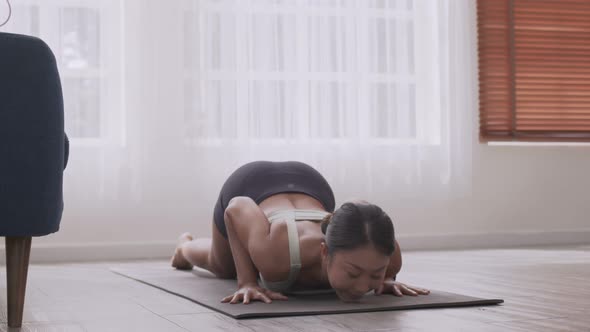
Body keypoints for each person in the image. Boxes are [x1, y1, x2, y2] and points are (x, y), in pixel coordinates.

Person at [171, 160, 430, 304]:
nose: (364, 287)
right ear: (325, 251)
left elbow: (362, 206)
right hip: (250, 185)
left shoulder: (390, 258)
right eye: (353, 272)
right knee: (222, 268)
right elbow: (237, 207)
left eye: (375, 273)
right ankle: (184, 247)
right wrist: (247, 282)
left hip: (311, 184)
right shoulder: (279, 255)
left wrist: (384, 278)